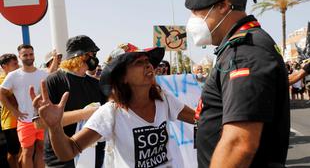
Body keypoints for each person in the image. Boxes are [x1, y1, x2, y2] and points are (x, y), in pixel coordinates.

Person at [31, 46, 195, 168]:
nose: (148, 65)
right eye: (139, 62)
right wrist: (54, 127)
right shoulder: (111, 112)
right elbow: (69, 151)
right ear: (122, 77)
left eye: (148, 62)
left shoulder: (163, 99)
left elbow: (198, 119)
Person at [185, 0, 290, 167]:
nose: (192, 20)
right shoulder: (237, 48)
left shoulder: (244, 52)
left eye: (196, 11)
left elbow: (239, 144)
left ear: (223, 6)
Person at [32, 35, 107, 168]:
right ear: (81, 56)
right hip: (60, 158)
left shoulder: (96, 84)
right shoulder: (54, 81)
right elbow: (40, 123)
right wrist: (87, 113)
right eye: (92, 54)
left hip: (93, 154)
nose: (95, 58)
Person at [0, 44, 48, 168]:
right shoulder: (13, 75)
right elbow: (2, 93)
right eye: (25, 55)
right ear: (20, 57)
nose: (28, 57)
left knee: (41, 150)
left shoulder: (43, 74)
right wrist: (14, 111)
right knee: (27, 152)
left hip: (42, 119)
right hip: (25, 120)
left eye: (31, 54)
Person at [0, 53, 20, 168]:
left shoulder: (18, 77)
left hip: (22, 120)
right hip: (9, 122)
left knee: (24, 151)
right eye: (15, 64)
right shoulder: (2, 80)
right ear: (4, 66)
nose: (18, 66)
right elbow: (12, 98)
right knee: (13, 153)